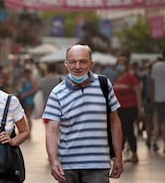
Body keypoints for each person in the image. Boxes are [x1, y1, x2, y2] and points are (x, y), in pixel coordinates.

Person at [43, 44, 123, 183]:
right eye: (73, 62)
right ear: (66, 64)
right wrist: (53, 161)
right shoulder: (57, 93)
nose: (77, 66)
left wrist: (118, 157)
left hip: (98, 165)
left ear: (91, 64)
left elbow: (115, 122)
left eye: (83, 61)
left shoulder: (104, 84)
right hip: (67, 166)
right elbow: (52, 131)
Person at [113, 56, 143, 163]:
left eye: (122, 64)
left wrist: (140, 109)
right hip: (119, 109)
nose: (120, 66)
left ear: (126, 66)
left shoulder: (131, 78)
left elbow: (138, 94)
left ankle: (133, 154)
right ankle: (119, 154)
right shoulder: (117, 78)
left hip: (130, 108)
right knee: (122, 131)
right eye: (119, 63)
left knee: (128, 129)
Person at [16, 68, 38, 138]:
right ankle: (25, 132)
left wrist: (26, 94)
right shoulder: (23, 80)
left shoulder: (32, 80)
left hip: (30, 101)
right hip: (22, 101)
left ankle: (29, 133)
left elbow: (35, 89)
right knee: (24, 117)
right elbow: (19, 88)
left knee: (28, 117)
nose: (26, 75)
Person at [151, 50, 165, 154]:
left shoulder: (156, 66)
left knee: (162, 123)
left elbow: (153, 84)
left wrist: (152, 98)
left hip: (159, 98)